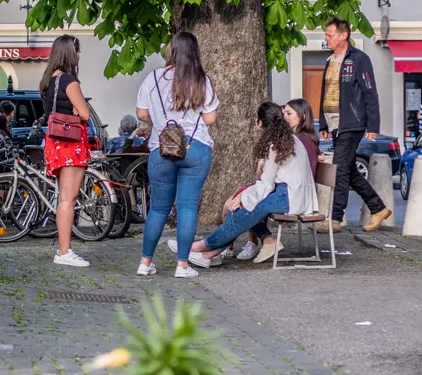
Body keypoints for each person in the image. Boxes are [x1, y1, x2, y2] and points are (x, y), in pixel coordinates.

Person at [192, 103, 318, 268]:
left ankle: (201, 247)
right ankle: (210, 253)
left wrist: (244, 198)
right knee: (244, 208)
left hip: (288, 196)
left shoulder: (276, 144)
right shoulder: (288, 139)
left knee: (243, 210)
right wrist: (243, 197)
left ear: (260, 122)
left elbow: (266, 183)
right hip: (293, 194)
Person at [135, 31, 218, 278]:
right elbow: (210, 118)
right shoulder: (201, 80)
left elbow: (141, 114)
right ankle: (182, 265)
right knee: (187, 207)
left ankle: (145, 262)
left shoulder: (152, 78)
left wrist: (162, 119)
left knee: (158, 209)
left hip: (161, 148)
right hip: (195, 148)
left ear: (171, 50)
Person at [317, 18, 390, 233]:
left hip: (352, 122)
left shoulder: (359, 59)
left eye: (329, 34)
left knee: (339, 169)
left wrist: (373, 125)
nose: (326, 38)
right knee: (348, 169)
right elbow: (325, 93)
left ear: (343, 35)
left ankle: (335, 219)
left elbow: (370, 92)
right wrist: (323, 123)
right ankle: (378, 208)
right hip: (334, 123)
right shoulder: (330, 60)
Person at [40, 35, 96, 268]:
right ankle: (64, 251)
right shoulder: (69, 80)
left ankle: (64, 250)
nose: (80, 55)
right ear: (71, 54)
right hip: (71, 144)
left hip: (55, 143)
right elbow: (85, 113)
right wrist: (78, 108)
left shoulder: (49, 80)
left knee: (64, 197)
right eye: (78, 51)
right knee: (68, 199)